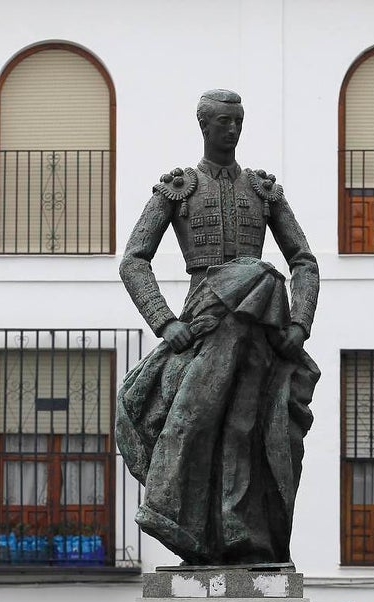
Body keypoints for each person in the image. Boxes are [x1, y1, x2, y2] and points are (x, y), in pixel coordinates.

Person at [116, 89, 320, 565]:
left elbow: (304, 260)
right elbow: (134, 260)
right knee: (191, 421)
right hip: (203, 320)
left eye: (238, 121)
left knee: (248, 432)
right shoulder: (178, 189)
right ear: (204, 126)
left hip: (261, 327)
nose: (232, 129)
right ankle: (187, 524)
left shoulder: (264, 191)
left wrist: (300, 323)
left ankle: (242, 534)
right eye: (224, 121)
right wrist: (165, 321)